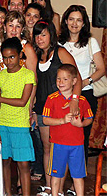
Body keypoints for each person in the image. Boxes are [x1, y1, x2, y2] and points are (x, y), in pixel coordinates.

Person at [32, 20, 82, 196]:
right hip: (43, 109)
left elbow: (78, 77)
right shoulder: (37, 55)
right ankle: (49, 186)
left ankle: (58, 189)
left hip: (62, 108)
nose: (40, 38)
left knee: (60, 148)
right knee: (47, 147)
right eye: (37, 35)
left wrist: (74, 100)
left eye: (43, 34)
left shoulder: (60, 52)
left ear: (51, 35)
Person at [59, 5, 105, 162]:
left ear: (84, 23)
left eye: (79, 20)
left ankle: (78, 179)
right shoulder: (59, 43)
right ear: (65, 21)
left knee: (81, 138)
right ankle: (61, 177)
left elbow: (101, 69)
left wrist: (86, 81)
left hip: (85, 94)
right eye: (71, 19)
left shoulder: (90, 42)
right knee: (62, 137)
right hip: (62, 96)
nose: (74, 23)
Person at [0, 38, 36, 196]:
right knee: (4, 163)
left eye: (12, 57)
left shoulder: (28, 75)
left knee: (23, 165)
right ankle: (6, 193)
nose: (8, 61)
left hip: (20, 126)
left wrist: (0, 98)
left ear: (20, 55)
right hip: (2, 125)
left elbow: (23, 102)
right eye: (5, 57)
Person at [42, 64, 94, 196]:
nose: (61, 82)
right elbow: (45, 120)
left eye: (65, 79)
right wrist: (62, 121)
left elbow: (89, 118)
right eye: (58, 79)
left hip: (76, 145)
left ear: (74, 81)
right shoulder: (51, 99)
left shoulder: (81, 101)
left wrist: (80, 124)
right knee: (56, 174)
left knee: (78, 175)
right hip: (58, 144)